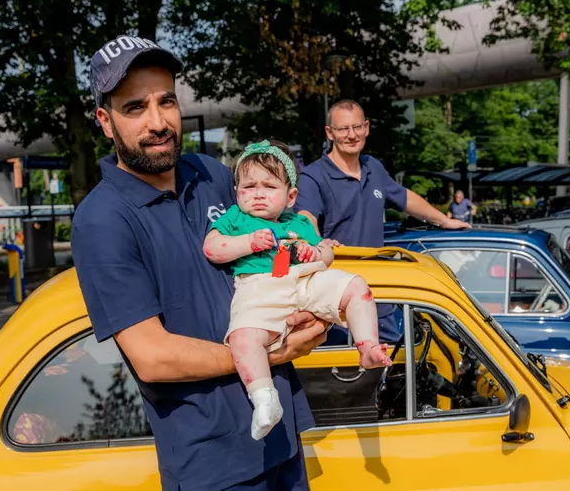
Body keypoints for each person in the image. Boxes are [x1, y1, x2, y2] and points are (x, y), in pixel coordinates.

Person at [72, 35, 327, 491]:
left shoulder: (209, 174)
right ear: (105, 122)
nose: (158, 121)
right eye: (135, 108)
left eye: (166, 101)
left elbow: (276, 247)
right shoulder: (102, 220)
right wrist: (269, 353)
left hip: (282, 438)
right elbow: (153, 358)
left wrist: (309, 294)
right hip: (213, 466)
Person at [203, 139, 392, 441]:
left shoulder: (299, 222)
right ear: (236, 193)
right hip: (259, 289)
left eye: (269, 186)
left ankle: (368, 345)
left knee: (356, 286)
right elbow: (212, 247)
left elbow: (326, 252)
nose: (258, 194)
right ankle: (265, 398)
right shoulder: (235, 219)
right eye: (248, 187)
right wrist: (247, 243)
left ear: (290, 196)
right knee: (242, 338)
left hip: (305, 279)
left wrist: (315, 253)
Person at [294, 99, 470, 343]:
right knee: (345, 376)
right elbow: (305, 219)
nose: (352, 135)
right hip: (337, 302)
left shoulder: (373, 167)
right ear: (330, 133)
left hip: (380, 297)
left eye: (357, 127)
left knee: (391, 371)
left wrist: (445, 221)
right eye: (343, 129)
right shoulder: (313, 176)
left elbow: (404, 197)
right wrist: (319, 242)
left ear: (366, 127)